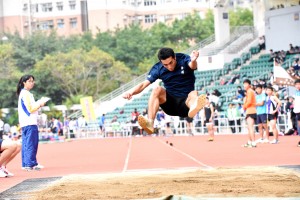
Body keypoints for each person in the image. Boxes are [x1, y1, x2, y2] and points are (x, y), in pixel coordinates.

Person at [122, 47, 206, 134]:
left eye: (171, 63)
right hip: (170, 105)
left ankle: (193, 108)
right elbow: (144, 84)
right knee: (157, 89)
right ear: (161, 63)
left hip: (186, 104)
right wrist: (130, 92)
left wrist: (193, 60)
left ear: (174, 57)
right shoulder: (158, 68)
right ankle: (150, 123)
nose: (169, 67)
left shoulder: (183, 58)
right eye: (165, 65)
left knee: (194, 93)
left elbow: (192, 66)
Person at [17, 74, 46, 171]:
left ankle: (27, 163)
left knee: (26, 143)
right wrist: (40, 104)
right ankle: (30, 163)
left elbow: (30, 107)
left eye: (32, 81)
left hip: (26, 122)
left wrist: (37, 103)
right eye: (29, 81)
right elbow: (30, 109)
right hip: (29, 122)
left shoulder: (25, 93)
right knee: (31, 143)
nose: (32, 83)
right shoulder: (25, 94)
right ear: (24, 82)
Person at [242, 79, 257, 148]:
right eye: (244, 84)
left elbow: (250, 102)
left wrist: (244, 107)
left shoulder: (250, 91)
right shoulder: (249, 91)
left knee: (250, 127)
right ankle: (249, 142)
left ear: (249, 84)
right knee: (249, 127)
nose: (244, 85)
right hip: (249, 110)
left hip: (251, 110)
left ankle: (253, 142)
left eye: (246, 84)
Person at [293, 79, 300, 146]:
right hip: (297, 111)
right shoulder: (296, 92)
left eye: (299, 84)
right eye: (296, 84)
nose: (298, 86)